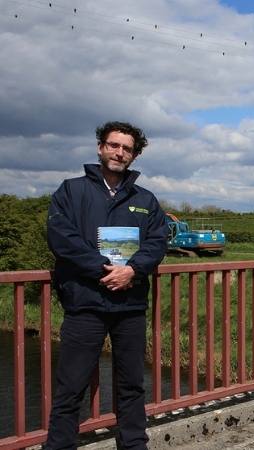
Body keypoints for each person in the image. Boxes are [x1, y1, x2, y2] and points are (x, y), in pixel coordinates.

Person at [45, 122, 168, 450]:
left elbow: (157, 243)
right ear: (100, 147)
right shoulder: (71, 191)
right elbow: (62, 239)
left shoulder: (145, 199)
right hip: (85, 302)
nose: (119, 153)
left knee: (131, 386)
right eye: (114, 145)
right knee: (71, 387)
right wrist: (105, 270)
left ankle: (133, 446)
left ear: (135, 154)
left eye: (127, 148)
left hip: (130, 305)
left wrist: (133, 271)